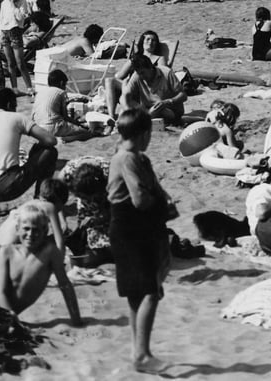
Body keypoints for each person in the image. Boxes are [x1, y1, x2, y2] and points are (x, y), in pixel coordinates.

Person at [108, 109, 174, 374]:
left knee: (138, 293)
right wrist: (161, 203)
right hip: (131, 227)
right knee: (149, 292)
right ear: (144, 134)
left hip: (133, 227)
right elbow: (140, 199)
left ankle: (139, 352)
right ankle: (142, 354)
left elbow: (155, 189)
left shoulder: (136, 158)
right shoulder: (128, 159)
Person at [0, 88, 58, 202]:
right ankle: (41, 199)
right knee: (49, 151)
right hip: (5, 185)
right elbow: (51, 140)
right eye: (14, 106)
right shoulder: (16, 117)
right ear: (9, 104)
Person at [0, 178, 69, 253]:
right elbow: (60, 242)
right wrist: (60, 261)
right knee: (49, 240)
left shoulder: (33, 203)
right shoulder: (50, 207)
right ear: (58, 201)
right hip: (9, 251)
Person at [119, 54, 186, 124]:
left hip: (169, 110)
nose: (141, 76)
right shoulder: (137, 75)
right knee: (124, 102)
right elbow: (126, 95)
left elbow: (183, 95)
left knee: (161, 111)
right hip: (147, 108)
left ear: (150, 67)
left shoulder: (167, 73)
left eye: (143, 73)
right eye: (139, 73)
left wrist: (168, 102)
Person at [32, 69, 92, 142]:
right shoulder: (61, 92)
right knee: (86, 133)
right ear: (61, 83)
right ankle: (64, 139)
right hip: (52, 128)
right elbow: (65, 117)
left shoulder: (40, 93)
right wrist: (77, 123)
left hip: (37, 129)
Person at [0, 0, 34, 95]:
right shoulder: (4, 3)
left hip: (15, 31)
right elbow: (1, 20)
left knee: (20, 62)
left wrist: (14, 5)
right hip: (4, 32)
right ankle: (15, 88)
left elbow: (20, 18)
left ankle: (29, 87)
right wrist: (0, 34)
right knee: (10, 63)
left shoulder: (22, 1)